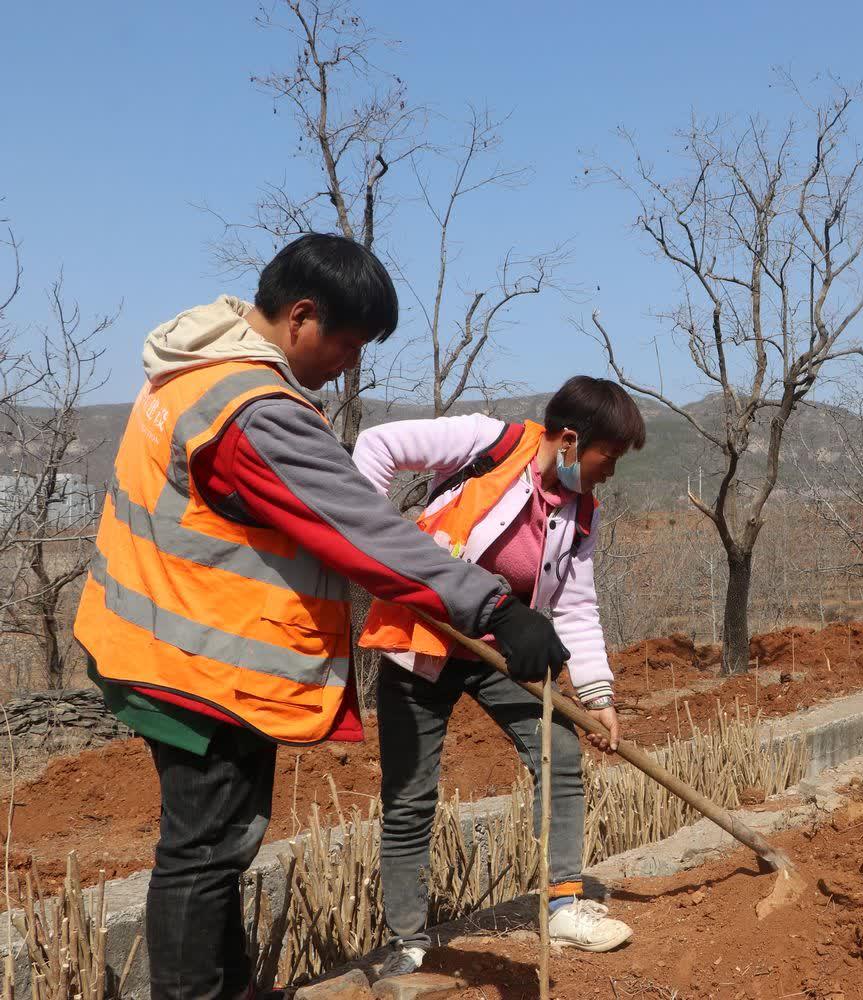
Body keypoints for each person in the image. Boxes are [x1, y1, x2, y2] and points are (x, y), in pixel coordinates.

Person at [75, 234, 569, 1000]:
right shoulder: (253, 414)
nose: (348, 362)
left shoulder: (192, 373)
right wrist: (495, 606)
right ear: (301, 316)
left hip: (156, 640)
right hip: (199, 663)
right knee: (206, 852)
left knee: (215, 849)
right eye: (346, 343)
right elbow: (361, 532)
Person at [353, 375, 646, 976]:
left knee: (559, 753)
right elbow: (375, 445)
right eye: (607, 458)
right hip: (424, 641)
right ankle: (407, 942)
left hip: (502, 651)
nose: (608, 474)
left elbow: (575, 606)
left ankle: (564, 903)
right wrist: (374, 548)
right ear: (570, 439)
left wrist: (597, 695)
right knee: (410, 795)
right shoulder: (485, 441)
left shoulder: (578, 508)